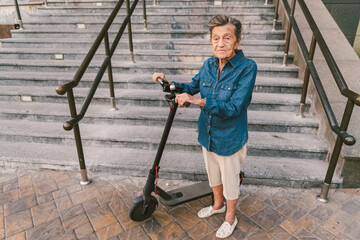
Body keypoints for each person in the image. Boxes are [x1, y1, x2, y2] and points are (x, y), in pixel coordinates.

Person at [152, 14, 257, 238]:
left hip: (230, 138)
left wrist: (198, 101)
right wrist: (169, 83)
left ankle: (230, 216)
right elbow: (191, 86)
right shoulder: (208, 65)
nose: (220, 43)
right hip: (207, 133)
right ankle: (217, 205)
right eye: (215, 38)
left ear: (237, 42)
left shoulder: (247, 68)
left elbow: (234, 107)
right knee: (213, 176)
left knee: (230, 181)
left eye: (227, 38)